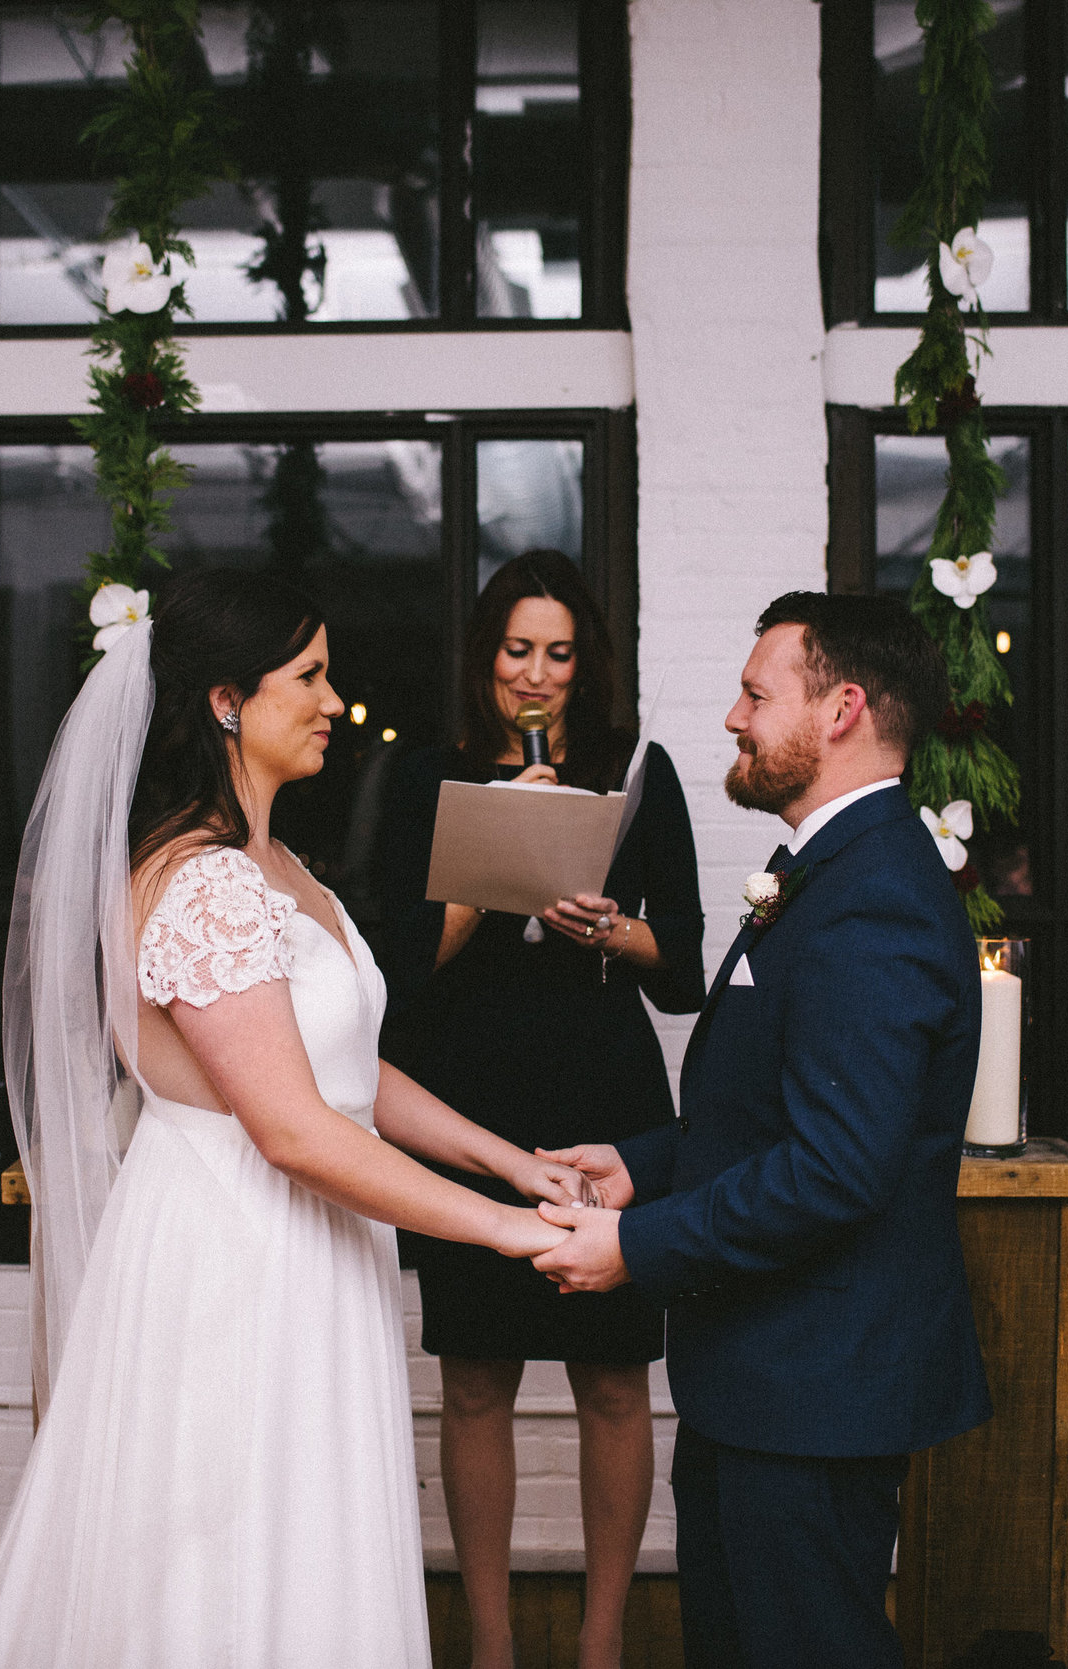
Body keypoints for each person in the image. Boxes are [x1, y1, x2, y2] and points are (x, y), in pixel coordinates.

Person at [0, 569, 589, 1667]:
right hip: (238, 1258)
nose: (335, 701)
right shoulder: (202, 883)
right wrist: (505, 1232)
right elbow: (291, 1129)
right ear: (224, 701)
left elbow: (346, 1072)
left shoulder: (279, 867)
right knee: (222, 1563)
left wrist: (509, 1164)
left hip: (311, 1245)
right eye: (309, 675)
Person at [534, 591, 989, 1669]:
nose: (733, 718)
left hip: (817, 1382)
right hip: (766, 1370)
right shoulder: (816, 868)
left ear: (840, 710)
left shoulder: (871, 892)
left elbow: (836, 1169)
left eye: (753, 693)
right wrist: (645, 1168)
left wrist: (632, 1249)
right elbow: (769, 1110)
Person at [375, 550, 704, 1669]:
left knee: (613, 1379)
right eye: (518, 650)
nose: (537, 674)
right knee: (475, 1379)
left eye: (559, 653)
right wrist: (483, 885)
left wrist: (607, 927)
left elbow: (688, 972)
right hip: (466, 1102)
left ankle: (603, 1639)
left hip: (604, 1097)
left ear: (586, 664)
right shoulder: (425, 777)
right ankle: (492, 1642)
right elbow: (390, 973)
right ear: (485, 658)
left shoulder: (638, 776)